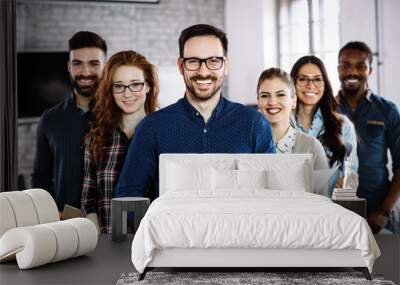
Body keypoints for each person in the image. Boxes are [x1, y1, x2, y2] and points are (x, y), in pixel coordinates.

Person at [115, 24, 275, 200]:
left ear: (226, 65)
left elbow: (272, 193)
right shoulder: (152, 127)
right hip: (171, 227)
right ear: (181, 66)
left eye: (213, 61)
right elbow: (128, 195)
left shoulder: (254, 124)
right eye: (193, 62)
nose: (203, 72)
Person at [80, 50, 159, 233]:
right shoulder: (96, 138)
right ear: (110, 90)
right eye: (119, 86)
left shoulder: (165, 134)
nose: (127, 93)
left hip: (153, 247)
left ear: (148, 86)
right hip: (109, 246)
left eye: (135, 84)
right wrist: (99, 242)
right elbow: (88, 202)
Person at [32, 31, 107, 215]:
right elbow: (41, 178)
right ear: (68, 67)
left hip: (111, 223)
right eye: (77, 63)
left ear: (105, 66)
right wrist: (50, 213)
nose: (85, 72)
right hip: (65, 224)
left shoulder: (119, 116)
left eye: (94, 63)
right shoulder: (49, 119)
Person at [337, 41, 400, 233]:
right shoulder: (326, 110)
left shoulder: (387, 110)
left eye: (360, 65)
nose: (352, 72)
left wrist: (384, 211)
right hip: (338, 212)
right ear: (338, 69)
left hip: (379, 210)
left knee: (387, 263)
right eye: (346, 65)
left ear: (370, 70)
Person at [290, 55, 358, 195]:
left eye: (317, 79)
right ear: (292, 84)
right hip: (290, 206)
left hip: (330, 207)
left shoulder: (343, 126)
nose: (310, 85)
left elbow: (350, 170)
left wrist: (346, 183)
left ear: (325, 84)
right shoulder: (281, 123)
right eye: (303, 79)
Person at [257, 67, 330, 194]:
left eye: (280, 95)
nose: (272, 102)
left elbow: (323, 199)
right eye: (265, 96)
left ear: (293, 101)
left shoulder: (312, 147)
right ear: (258, 102)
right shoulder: (246, 144)